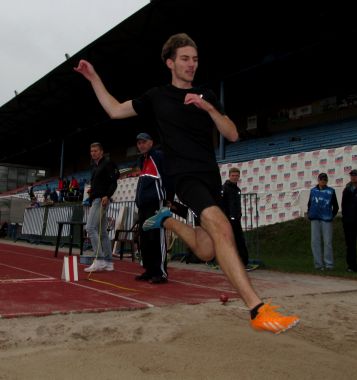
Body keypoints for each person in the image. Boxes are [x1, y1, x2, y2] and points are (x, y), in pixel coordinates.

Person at [74, 33, 299, 333]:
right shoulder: (157, 96)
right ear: (170, 62)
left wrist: (208, 108)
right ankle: (257, 309)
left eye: (195, 59)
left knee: (207, 249)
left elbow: (232, 133)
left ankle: (168, 221)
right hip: (183, 177)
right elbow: (115, 110)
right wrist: (94, 79)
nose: (191, 64)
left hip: (210, 177)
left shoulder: (207, 95)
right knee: (222, 228)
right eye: (185, 59)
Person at [134, 132, 168, 284]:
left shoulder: (159, 156)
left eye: (144, 142)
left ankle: (161, 272)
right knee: (145, 238)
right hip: (143, 205)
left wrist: (168, 199)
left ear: (151, 142)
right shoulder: (141, 160)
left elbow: (168, 177)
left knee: (156, 236)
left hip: (156, 203)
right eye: (139, 143)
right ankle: (149, 269)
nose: (141, 145)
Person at [83, 142, 120, 272]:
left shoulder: (108, 163)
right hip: (96, 198)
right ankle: (109, 262)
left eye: (96, 151)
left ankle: (98, 259)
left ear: (101, 152)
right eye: (91, 151)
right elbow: (101, 183)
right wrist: (92, 192)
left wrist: (107, 195)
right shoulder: (94, 167)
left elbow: (114, 182)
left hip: (101, 200)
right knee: (103, 232)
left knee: (90, 227)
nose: (93, 153)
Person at [222, 167, 257, 271]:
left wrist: (238, 215)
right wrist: (227, 218)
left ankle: (241, 263)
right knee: (232, 242)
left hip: (236, 219)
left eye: (237, 176)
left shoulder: (237, 189)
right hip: (228, 220)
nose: (235, 177)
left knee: (239, 241)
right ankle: (236, 264)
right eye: (233, 175)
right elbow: (223, 205)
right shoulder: (225, 188)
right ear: (229, 176)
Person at [307, 173, 339, 270]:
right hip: (315, 219)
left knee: (328, 242)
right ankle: (318, 265)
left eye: (325, 180)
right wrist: (310, 213)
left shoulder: (331, 191)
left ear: (327, 181)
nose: (323, 181)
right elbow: (309, 204)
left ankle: (329, 265)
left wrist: (331, 216)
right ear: (318, 180)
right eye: (321, 179)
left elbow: (336, 206)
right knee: (315, 242)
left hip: (326, 219)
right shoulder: (313, 191)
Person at [341, 169, 357, 273]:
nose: (353, 177)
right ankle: (352, 267)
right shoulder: (347, 189)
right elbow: (343, 206)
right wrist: (345, 219)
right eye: (352, 175)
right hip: (349, 222)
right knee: (350, 245)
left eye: (355, 175)